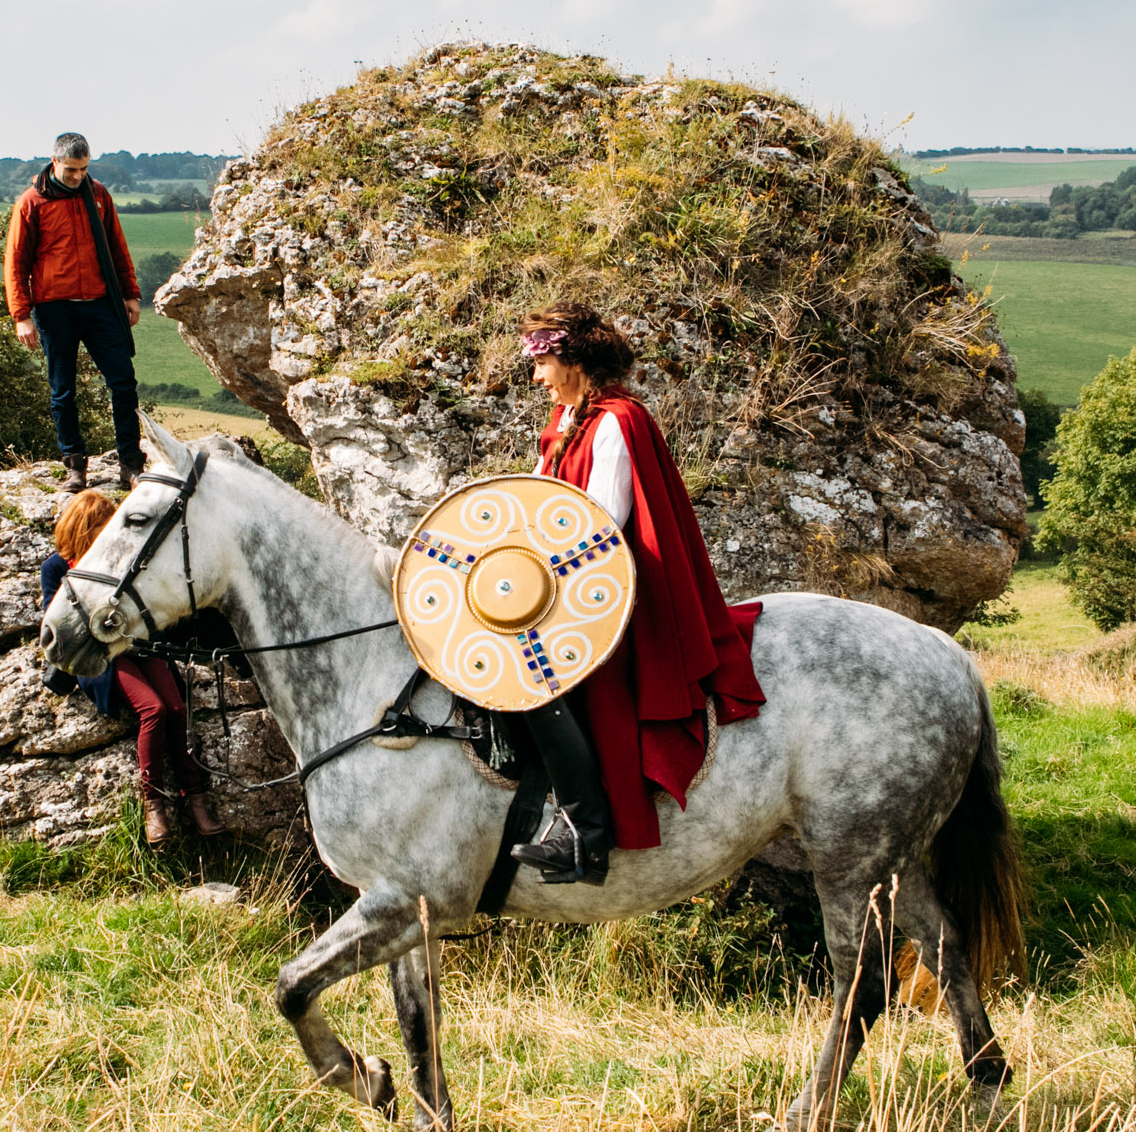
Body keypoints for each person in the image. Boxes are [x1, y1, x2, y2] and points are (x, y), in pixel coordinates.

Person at [510, 302, 766, 885]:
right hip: (559, 579)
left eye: (542, 361)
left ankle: (587, 832)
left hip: (606, 591)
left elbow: (598, 525)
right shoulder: (564, 423)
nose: (536, 376)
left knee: (533, 681)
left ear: (573, 357)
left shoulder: (617, 422)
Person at [41, 490, 224, 845]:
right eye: (102, 524)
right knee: (152, 710)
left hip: (137, 645)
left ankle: (196, 798)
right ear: (85, 528)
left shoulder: (117, 560)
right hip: (103, 657)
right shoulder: (57, 567)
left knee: (176, 707)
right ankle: (153, 805)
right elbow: (57, 623)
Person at [5, 133, 144, 493]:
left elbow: (117, 245)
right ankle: (75, 467)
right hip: (54, 310)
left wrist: (130, 294)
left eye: (83, 169)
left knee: (123, 384)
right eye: (71, 170)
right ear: (54, 161)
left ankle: (130, 464)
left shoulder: (97, 194)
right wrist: (21, 314)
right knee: (63, 391)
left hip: (101, 304)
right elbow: (16, 262)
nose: (77, 176)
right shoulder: (31, 202)